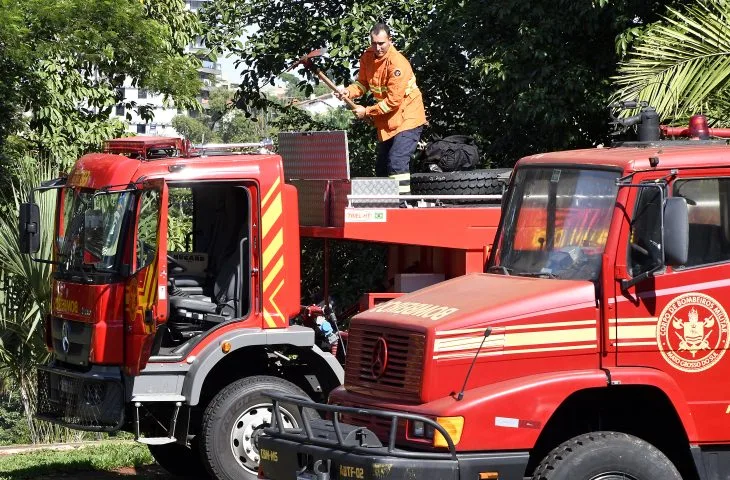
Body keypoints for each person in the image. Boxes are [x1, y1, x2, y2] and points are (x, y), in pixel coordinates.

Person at [337, 23, 427, 193]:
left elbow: (393, 101)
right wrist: (348, 92)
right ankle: (387, 205)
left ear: (390, 41)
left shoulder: (397, 63)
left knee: (397, 162)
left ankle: (402, 207)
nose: (377, 48)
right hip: (389, 120)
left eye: (381, 43)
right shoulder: (367, 57)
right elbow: (362, 84)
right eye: (374, 43)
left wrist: (367, 111)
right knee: (382, 167)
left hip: (408, 117)